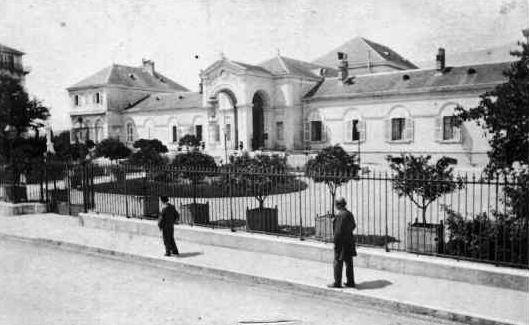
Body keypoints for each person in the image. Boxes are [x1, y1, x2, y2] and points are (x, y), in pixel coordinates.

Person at [328, 197, 356, 288]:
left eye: (336, 204)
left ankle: (337, 282)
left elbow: (338, 232)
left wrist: (335, 242)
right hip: (349, 241)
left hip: (341, 243)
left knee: (337, 262)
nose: (336, 206)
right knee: (349, 262)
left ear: (339, 205)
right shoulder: (349, 214)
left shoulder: (340, 215)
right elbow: (353, 226)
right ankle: (350, 282)